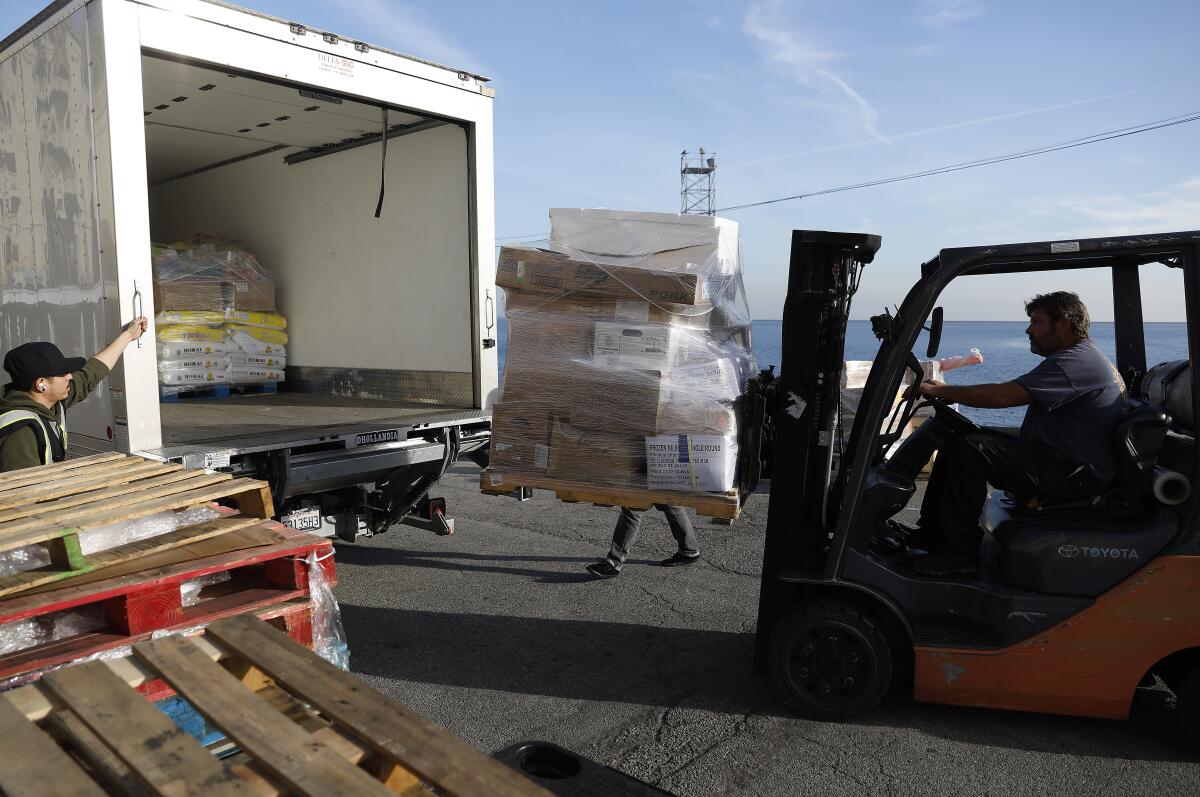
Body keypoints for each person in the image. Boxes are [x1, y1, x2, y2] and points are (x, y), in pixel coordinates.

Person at [902, 292, 1126, 576]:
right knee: (962, 436)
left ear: (1063, 324)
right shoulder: (1079, 356)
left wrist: (938, 390)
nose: (1028, 330)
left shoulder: (1075, 362)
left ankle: (958, 553)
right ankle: (933, 535)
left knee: (970, 450)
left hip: (1073, 473)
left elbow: (1002, 395)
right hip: (1064, 458)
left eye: (1036, 322)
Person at [0, 318, 149, 472]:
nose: (70, 377)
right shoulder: (19, 431)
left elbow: (91, 373)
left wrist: (128, 336)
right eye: (63, 373)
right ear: (41, 384)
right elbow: (21, 491)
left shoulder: (49, 400)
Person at [585, 504, 701, 579]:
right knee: (669, 501)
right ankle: (689, 550)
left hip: (652, 469)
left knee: (632, 506)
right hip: (662, 470)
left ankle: (614, 562)